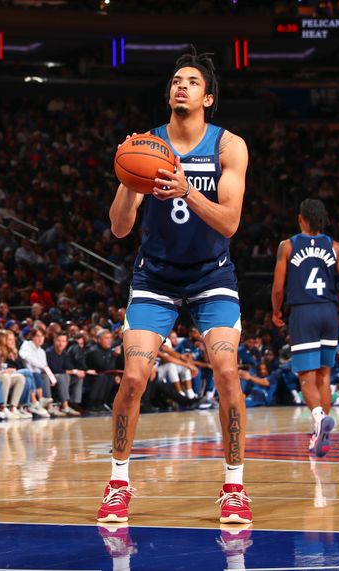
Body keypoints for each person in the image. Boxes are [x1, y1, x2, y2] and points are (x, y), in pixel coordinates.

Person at [100, 47, 251, 524]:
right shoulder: (147, 145)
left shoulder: (229, 146)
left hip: (211, 275)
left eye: (191, 81)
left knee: (226, 372)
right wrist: (129, 177)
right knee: (134, 378)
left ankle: (233, 488)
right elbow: (120, 229)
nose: (180, 86)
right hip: (156, 279)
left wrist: (188, 189)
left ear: (209, 97)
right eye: (175, 81)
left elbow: (229, 223)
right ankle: (118, 482)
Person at [271, 198, 339, 458]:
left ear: (300, 219)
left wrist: (276, 311)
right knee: (324, 376)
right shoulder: (335, 246)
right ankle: (321, 431)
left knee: (306, 376)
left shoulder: (288, 245)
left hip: (304, 311)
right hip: (329, 312)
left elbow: (279, 287)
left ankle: (318, 418)